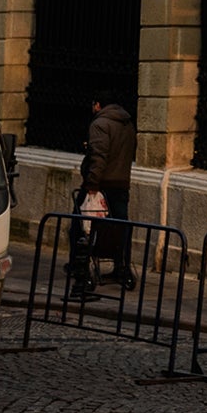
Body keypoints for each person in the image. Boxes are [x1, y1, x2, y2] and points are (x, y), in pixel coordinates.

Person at [68, 91, 136, 298]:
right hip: (121, 183)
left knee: (79, 227)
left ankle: (79, 269)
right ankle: (120, 266)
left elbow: (98, 156)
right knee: (120, 227)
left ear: (97, 105)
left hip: (101, 184)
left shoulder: (100, 124)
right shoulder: (127, 124)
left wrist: (92, 184)